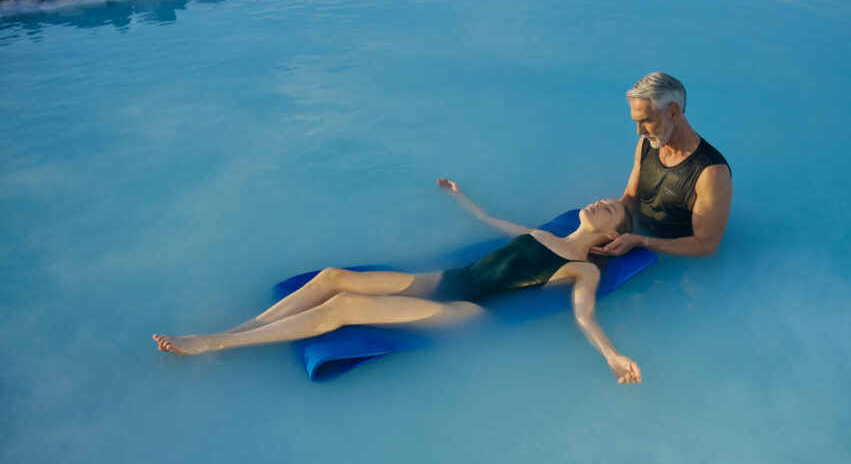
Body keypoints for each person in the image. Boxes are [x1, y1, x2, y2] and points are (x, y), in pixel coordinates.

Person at [153, 179, 643, 383]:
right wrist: (459, 195)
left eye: (610, 209)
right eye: (603, 199)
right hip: (446, 280)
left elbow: (584, 314)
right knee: (333, 277)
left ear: (609, 238)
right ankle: (239, 329)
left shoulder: (583, 267)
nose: (601, 202)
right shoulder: (541, 233)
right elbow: (491, 221)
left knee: (343, 307)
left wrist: (611, 355)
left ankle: (215, 343)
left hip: (468, 310)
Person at [593, 72, 732, 258]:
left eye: (646, 121)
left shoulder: (712, 173)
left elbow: (705, 245)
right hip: (634, 237)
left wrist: (641, 242)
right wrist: (606, 229)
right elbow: (631, 196)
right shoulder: (647, 144)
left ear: (673, 112)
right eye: (636, 122)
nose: (639, 131)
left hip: (673, 254)